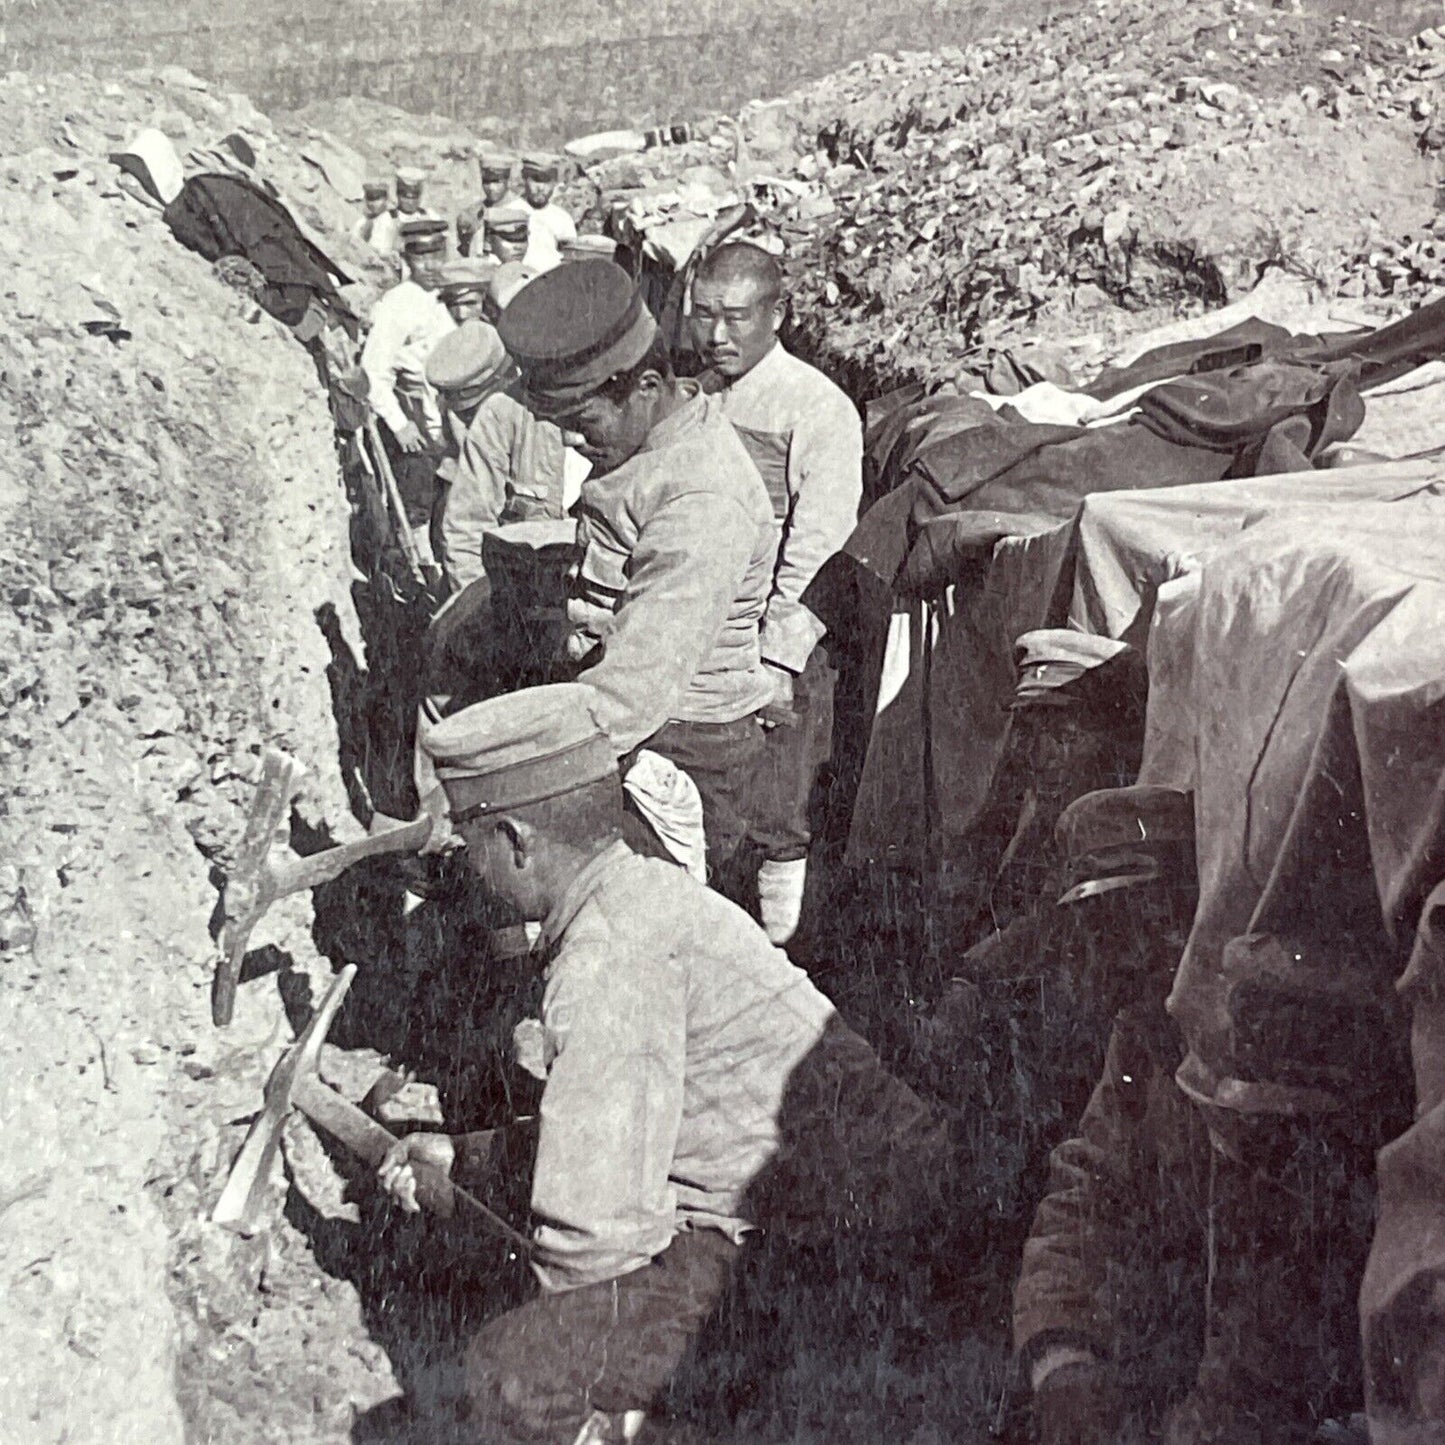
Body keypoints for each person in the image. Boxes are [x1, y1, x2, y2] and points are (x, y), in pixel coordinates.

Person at [379, 683, 950, 1445]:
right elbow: (635, 1132)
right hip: (830, 1212)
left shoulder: (608, 955)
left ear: (516, 840)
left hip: (847, 1256)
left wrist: (571, 1363)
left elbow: (592, 1242)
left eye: (466, 837)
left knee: (508, 1376)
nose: (460, 858)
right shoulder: (638, 894)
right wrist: (471, 1157)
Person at [497, 258, 779, 882]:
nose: (572, 444)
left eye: (582, 423)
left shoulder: (702, 500)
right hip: (624, 722)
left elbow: (634, 690)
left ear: (647, 386)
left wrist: (507, 774)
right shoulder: (647, 441)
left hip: (681, 748)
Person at [690, 243, 863, 944]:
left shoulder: (814, 407)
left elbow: (820, 543)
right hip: (701, 631)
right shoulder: (696, 398)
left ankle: (784, 961)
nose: (716, 335)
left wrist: (778, 657)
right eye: (703, 316)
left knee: (777, 816)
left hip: (773, 644)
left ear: (777, 314)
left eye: (735, 317)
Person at [359, 219, 457, 553]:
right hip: (419, 434)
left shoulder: (452, 294)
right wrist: (400, 425)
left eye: (437, 254)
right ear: (406, 258)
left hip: (452, 428)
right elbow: (373, 372)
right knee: (418, 517)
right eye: (420, 256)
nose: (430, 265)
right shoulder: (398, 303)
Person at [518, 153, 577, 272]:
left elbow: (571, 257)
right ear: (524, 179)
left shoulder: (562, 218)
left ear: (554, 183)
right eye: (535, 180)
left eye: (546, 182)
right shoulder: (511, 211)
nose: (541, 188)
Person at [457, 148, 520, 258]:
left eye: (497, 182)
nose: (491, 188)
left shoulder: (521, 210)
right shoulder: (474, 211)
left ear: (507, 180)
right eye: (486, 181)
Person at [436, 256, 498, 325]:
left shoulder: (502, 330)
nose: (461, 315)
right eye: (452, 304)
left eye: (470, 303)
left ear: (484, 297)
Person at [353, 178, 398, 253]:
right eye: (370, 199)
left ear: (386, 199)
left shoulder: (388, 220)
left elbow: (380, 249)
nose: (373, 203)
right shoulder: (362, 221)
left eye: (377, 199)